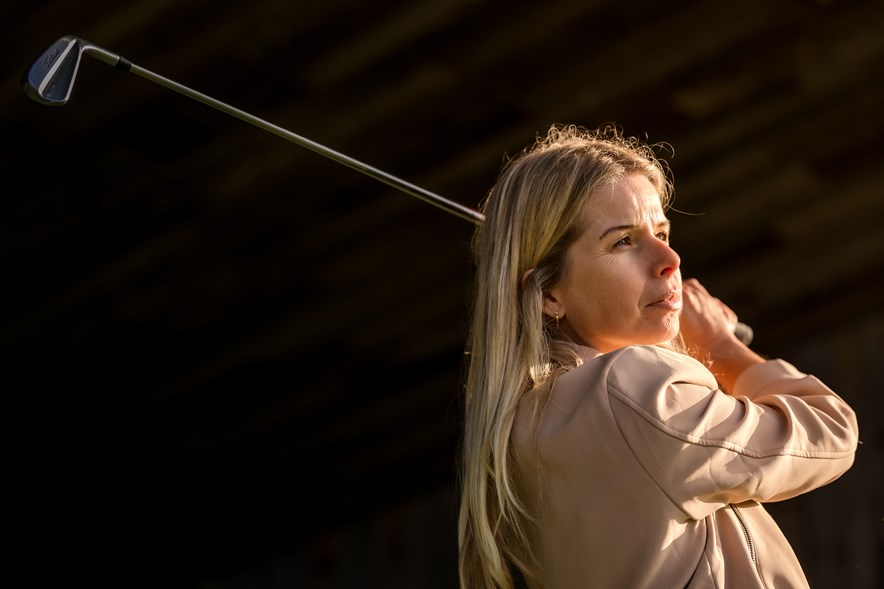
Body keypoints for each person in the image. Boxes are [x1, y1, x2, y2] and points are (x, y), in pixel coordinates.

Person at [456, 123, 859, 588]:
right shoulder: (630, 388)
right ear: (548, 293)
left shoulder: (516, 432)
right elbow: (829, 431)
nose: (669, 258)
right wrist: (722, 349)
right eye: (623, 241)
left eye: (661, 231)